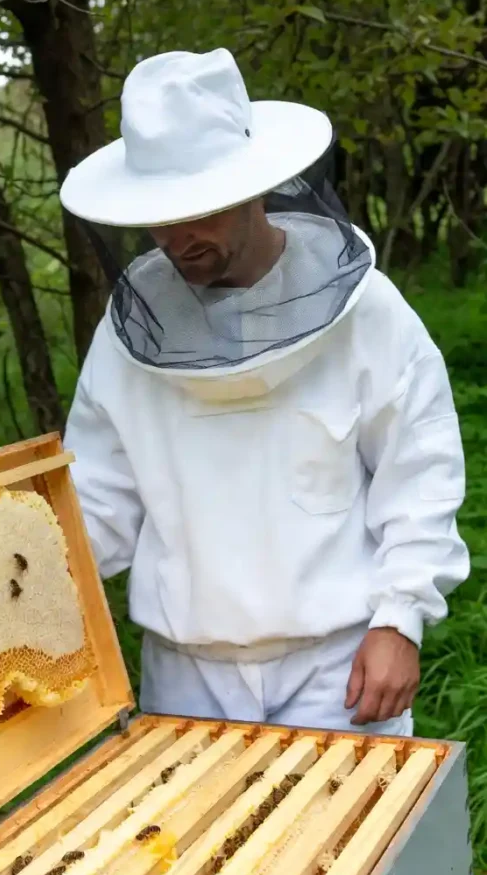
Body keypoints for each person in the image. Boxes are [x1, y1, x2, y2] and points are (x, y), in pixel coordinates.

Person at [59, 47, 469, 735]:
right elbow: (95, 505)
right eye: (159, 215)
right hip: (183, 678)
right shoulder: (127, 335)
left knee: (350, 846)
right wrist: (5, 588)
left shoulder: (367, 311)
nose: (177, 237)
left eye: (200, 210)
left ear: (252, 187)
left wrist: (400, 618)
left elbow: (418, 470)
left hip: (339, 670)